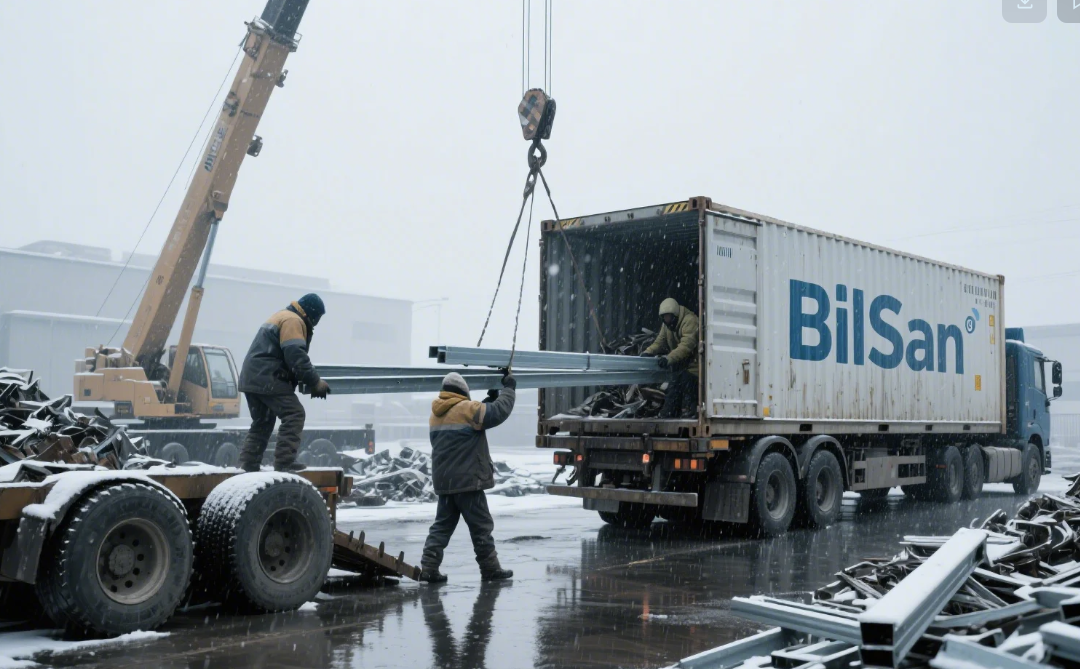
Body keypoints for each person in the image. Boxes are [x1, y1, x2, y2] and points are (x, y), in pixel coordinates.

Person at [419, 371, 516, 583]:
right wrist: (508, 390)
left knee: (442, 526)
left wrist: (490, 399)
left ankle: (428, 567)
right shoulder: (467, 409)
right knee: (481, 526)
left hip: (446, 482)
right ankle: (490, 568)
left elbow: (473, 417)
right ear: (463, 392)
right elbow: (497, 413)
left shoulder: (436, 414)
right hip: (468, 482)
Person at [237, 293, 330, 472]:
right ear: (312, 313)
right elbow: (296, 356)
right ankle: (284, 462)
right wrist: (315, 382)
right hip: (268, 376)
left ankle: (248, 464)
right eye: (318, 317)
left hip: (252, 377)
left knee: (262, 422)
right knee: (294, 414)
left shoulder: (282, 316)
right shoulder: (293, 321)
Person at [641, 297, 700, 418]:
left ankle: (691, 412)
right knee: (673, 386)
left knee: (686, 382)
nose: (666, 320)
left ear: (675, 315)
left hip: (695, 366)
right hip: (681, 366)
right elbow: (660, 341)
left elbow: (686, 346)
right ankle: (668, 414)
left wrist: (668, 358)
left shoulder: (690, 321)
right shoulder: (667, 325)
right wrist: (647, 352)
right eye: (664, 318)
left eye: (668, 317)